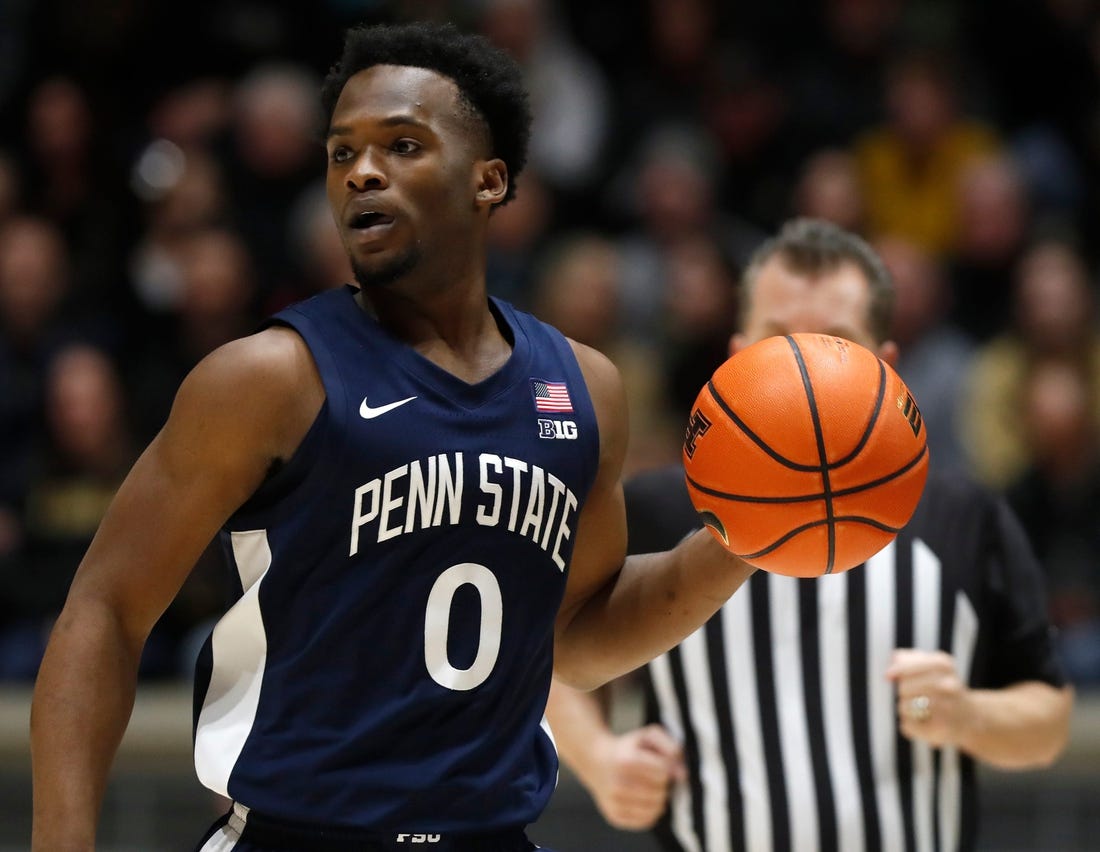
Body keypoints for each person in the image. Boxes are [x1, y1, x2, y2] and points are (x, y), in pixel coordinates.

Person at [28, 21, 759, 852]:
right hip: (294, 836)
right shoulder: (267, 379)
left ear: (489, 180)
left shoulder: (585, 388)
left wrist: (738, 545)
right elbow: (106, 610)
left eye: (402, 145)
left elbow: (573, 640)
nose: (362, 172)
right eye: (342, 153)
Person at [545, 218, 1073, 852]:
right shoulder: (658, 508)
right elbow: (555, 655)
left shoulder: (966, 513)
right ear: (736, 355)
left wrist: (968, 714)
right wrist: (601, 760)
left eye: (833, 344)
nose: (805, 376)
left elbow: (1049, 720)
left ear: (887, 363)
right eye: (779, 345)